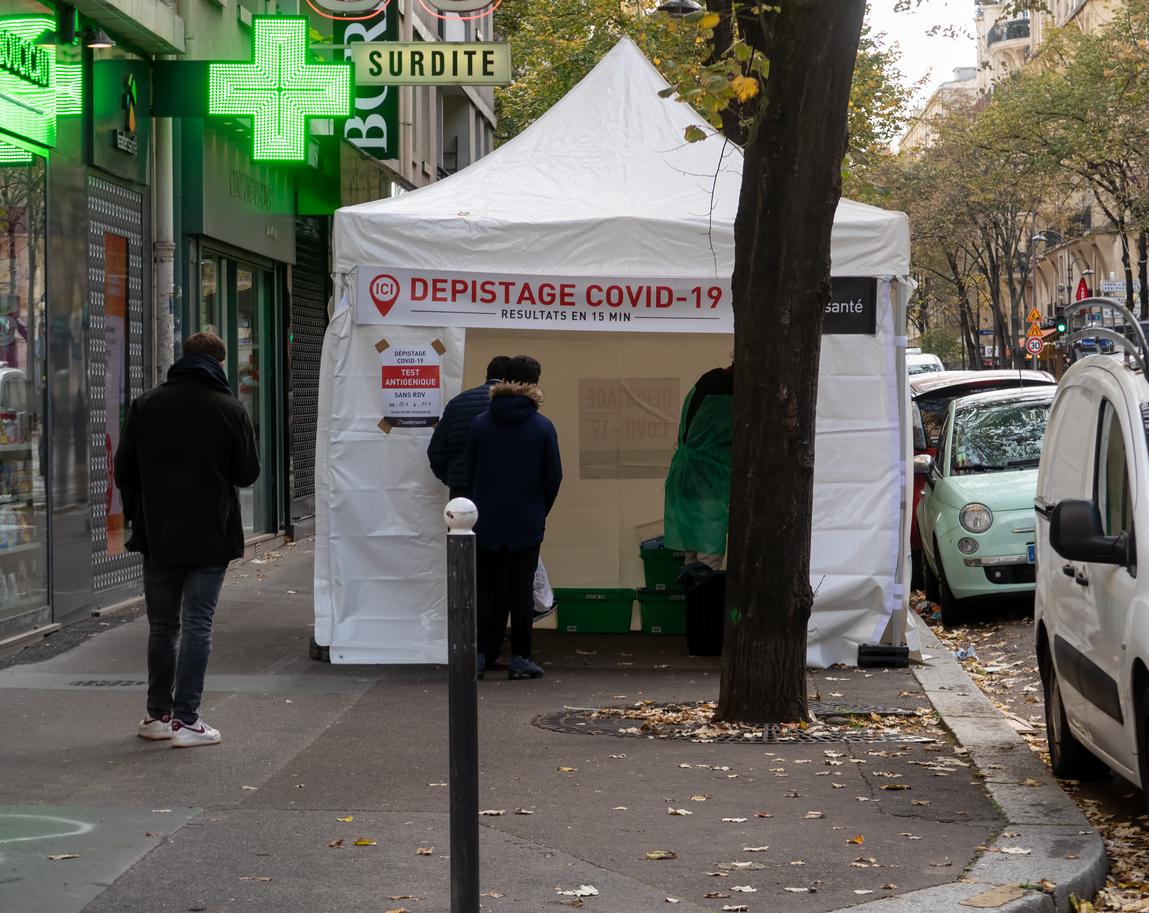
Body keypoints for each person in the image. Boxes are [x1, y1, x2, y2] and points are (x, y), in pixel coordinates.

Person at [114, 332, 260, 748]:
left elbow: (124, 469)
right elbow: (247, 472)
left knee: (163, 627)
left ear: (183, 359)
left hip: (160, 535)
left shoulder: (147, 405)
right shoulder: (229, 408)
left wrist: (142, 514)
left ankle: (157, 715)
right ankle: (187, 721)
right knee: (198, 624)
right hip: (211, 535)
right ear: (220, 362)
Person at [466, 355, 562, 680]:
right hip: (526, 520)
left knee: (487, 587)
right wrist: (538, 509)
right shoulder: (543, 426)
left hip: (486, 519)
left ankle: (481, 653)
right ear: (534, 384)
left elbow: (468, 472)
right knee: (521, 590)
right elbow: (553, 477)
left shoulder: (481, 423)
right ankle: (520, 657)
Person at [664, 360, 734, 570]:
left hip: (685, 476)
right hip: (708, 479)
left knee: (692, 556)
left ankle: (696, 601)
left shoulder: (705, 382)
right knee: (707, 560)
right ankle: (703, 602)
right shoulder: (725, 393)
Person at [428, 355, 511, 500]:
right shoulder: (512, 406)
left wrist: (451, 478)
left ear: (488, 374)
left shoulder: (457, 402)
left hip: (461, 492)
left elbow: (435, 451)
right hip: (500, 489)